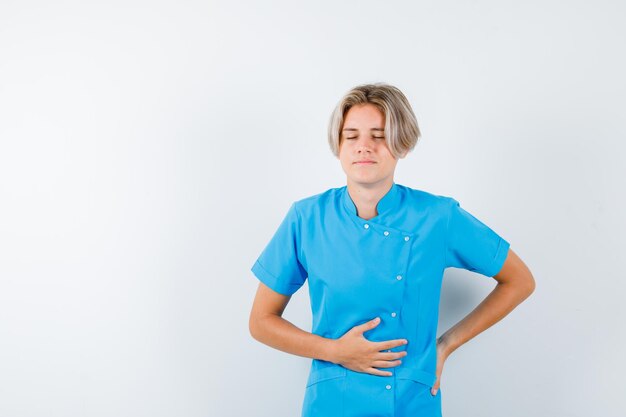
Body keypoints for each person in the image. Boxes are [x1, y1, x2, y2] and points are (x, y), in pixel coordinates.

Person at [248, 82, 535, 417]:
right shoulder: (307, 218)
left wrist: (446, 345)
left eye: (379, 135)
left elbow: (520, 281)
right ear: (338, 145)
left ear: (402, 144)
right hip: (333, 400)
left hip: (411, 399)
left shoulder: (437, 217)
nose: (363, 147)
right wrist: (337, 351)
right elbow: (261, 321)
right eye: (351, 136)